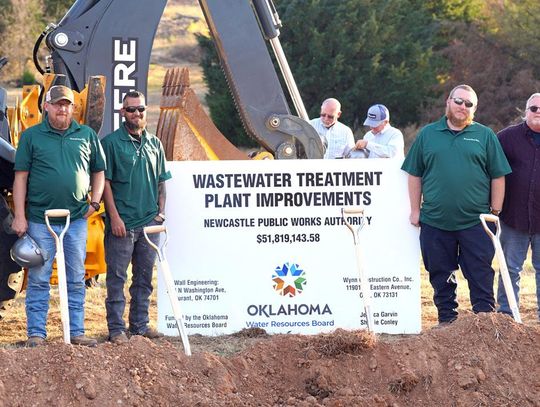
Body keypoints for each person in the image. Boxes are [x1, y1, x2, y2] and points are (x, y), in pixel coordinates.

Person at [401, 84, 511, 325]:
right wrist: (415, 210)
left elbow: (498, 175)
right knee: (440, 273)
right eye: (459, 101)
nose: (463, 107)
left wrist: (495, 212)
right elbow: (414, 174)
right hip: (435, 221)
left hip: (476, 222)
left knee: (480, 273)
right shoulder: (428, 134)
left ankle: (484, 321)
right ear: (448, 102)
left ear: (474, 109)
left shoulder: (485, 135)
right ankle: (447, 320)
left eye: (469, 104)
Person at [12, 85, 106, 347]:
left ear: (73, 107)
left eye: (67, 104)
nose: (62, 108)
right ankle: (36, 334)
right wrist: (20, 216)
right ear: (47, 107)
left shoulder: (86, 135)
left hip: (75, 220)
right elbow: (20, 179)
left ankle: (76, 331)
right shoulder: (32, 137)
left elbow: (99, 171)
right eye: (57, 104)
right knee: (40, 278)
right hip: (40, 220)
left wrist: (94, 203)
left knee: (76, 277)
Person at [101, 90, 172, 344]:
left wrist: (160, 213)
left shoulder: (155, 143)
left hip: (148, 224)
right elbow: (105, 183)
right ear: (123, 112)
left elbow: (162, 181)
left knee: (143, 279)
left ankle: (139, 326)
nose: (137, 113)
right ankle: (117, 330)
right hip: (122, 225)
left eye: (140, 109)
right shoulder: (110, 143)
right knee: (117, 280)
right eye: (131, 109)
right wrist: (115, 218)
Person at [496, 93, 540, 321]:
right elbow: (489, 167)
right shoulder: (506, 138)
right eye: (534, 108)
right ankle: (506, 317)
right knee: (509, 269)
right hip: (513, 218)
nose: (538, 112)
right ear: (525, 111)